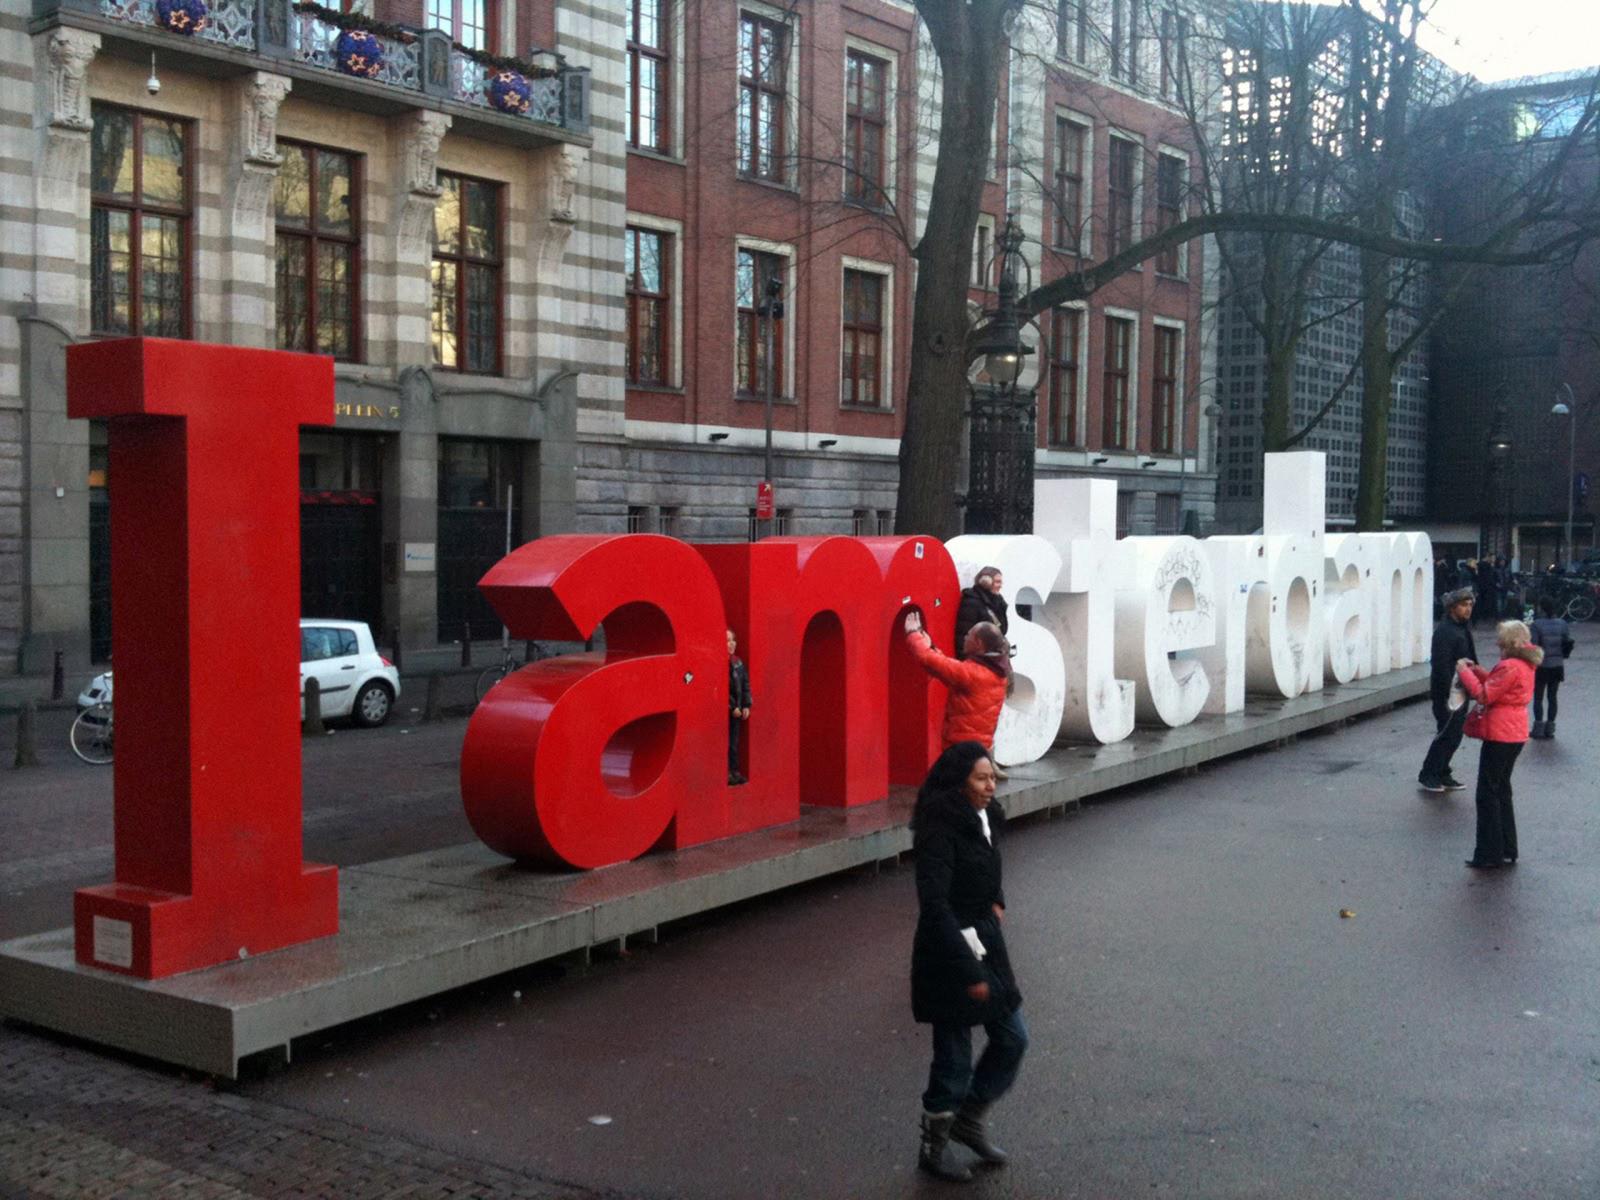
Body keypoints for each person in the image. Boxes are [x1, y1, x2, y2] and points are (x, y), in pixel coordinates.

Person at [910, 740, 1027, 1182]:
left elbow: (989, 868)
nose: (990, 785)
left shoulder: (988, 817)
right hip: (948, 952)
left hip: (987, 942)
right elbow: (934, 905)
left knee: (1013, 1038)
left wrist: (997, 901)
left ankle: (969, 1120)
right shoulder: (938, 829)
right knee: (954, 1059)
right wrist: (968, 969)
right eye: (981, 778)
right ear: (960, 782)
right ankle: (933, 1148)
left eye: (993, 777)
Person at [1456, 621, 1541, 868]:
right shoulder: (1525, 663)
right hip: (1516, 731)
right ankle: (1507, 847)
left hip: (1500, 732)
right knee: (1502, 789)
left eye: (1501, 640)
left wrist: (1464, 672)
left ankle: (1489, 853)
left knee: (1487, 793)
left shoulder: (1509, 665)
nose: (1497, 643)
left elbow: (1483, 695)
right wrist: (1478, 671)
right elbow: (1499, 686)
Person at [903, 610, 1010, 777]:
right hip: (979, 748)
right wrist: (930, 646)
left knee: (952, 788)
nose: (965, 638)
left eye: (969, 635)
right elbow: (947, 668)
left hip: (961, 750)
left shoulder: (972, 674)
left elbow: (930, 660)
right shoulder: (997, 672)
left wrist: (913, 633)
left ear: (978, 644)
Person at [1418, 587, 1477, 793]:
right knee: (1447, 734)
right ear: (1452, 608)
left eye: (1470, 605)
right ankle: (1429, 774)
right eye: (1463, 605)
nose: (1468, 609)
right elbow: (1441, 666)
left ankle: (1443, 772)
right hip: (1449, 692)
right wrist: (1446, 694)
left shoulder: (1462, 629)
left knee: (1454, 735)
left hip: (1460, 690)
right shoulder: (1445, 632)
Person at [1528, 597, 1575, 739]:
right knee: (1552, 697)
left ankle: (1538, 728)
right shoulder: (1562, 624)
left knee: (1538, 697)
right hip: (1557, 664)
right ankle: (1550, 728)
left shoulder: (1536, 625)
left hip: (1542, 665)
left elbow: (1534, 645)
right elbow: (1567, 642)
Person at [954, 567, 1008, 661]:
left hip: (991, 659)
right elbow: (963, 634)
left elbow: (1002, 629)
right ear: (986, 582)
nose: (1000, 586)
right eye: (997, 582)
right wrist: (965, 661)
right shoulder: (972, 601)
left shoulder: (997, 602)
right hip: (977, 660)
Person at [727, 628, 751, 785]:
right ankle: (727, 772)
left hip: (737, 712)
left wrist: (746, 705)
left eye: (733, 640)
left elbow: (745, 685)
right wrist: (732, 707)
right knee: (726, 744)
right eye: (728, 640)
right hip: (726, 712)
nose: (732, 643)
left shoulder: (738, 663)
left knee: (734, 744)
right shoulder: (719, 663)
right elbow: (722, 688)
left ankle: (735, 771)